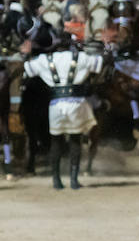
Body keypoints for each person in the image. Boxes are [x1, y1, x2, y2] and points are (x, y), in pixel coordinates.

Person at [21, 33, 102, 189]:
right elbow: (100, 64)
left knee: (56, 142)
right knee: (75, 140)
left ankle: (56, 180)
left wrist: (25, 54)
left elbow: (28, 69)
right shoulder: (82, 57)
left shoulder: (45, 60)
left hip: (56, 104)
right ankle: (73, 180)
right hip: (76, 103)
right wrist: (108, 46)